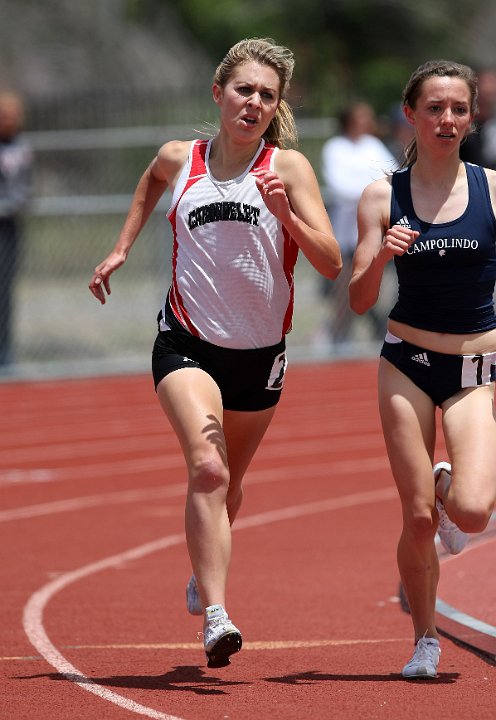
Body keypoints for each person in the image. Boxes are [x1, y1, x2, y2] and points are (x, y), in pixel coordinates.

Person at [89, 38, 342, 669]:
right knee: (208, 469)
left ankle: (204, 567)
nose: (253, 102)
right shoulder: (182, 158)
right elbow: (150, 183)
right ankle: (218, 615)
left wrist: (288, 216)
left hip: (260, 357)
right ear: (218, 93)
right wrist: (122, 246)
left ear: (275, 107)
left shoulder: (288, 170)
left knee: (230, 489)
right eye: (243, 90)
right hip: (185, 343)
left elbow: (331, 262)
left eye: (266, 95)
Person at [349, 60, 496, 679]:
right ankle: (426, 640)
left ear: (472, 116)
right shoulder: (384, 194)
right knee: (414, 517)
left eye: (458, 108)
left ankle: (445, 483)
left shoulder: (492, 186)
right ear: (411, 114)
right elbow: (357, 297)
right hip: (406, 363)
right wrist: (381, 255)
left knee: (471, 511)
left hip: (474, 365)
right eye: (434, 108)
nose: (447, 119)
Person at [319, 101, 397, 348]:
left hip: (378, 231)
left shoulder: (373, 145)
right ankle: (339, 338)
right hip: (347, 232)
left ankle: (379, 333)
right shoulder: (336, 148)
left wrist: (372, 190)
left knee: (380, 287)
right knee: (344, 290)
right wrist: (372, 190)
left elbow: (393, 174)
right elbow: (339, 184)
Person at [0, 92, 33, 367]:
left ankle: (5, 350)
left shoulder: (22, 149)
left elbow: (24, 189)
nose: (8, 120)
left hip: (7, 227)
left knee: (4, 289)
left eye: (12, 115)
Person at [459, 67, 496, 168]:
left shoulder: (492, 125)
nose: (490, 89)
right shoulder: (463, 124)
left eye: (493, 84)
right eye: (486, 84)